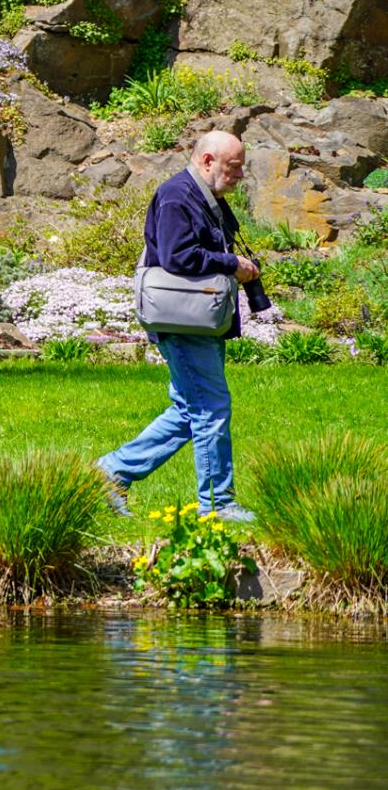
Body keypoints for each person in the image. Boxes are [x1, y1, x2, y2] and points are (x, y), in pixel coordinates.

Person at [95, 132, 259, 522]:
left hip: (198, 320)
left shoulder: (204, 196)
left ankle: (111, 472)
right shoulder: (177, 196)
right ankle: (218, 505)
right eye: (233, 167)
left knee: (190, 409)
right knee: (211, 408)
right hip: (183, 321)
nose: (239, 175)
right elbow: (176, 256)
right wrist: (230, 264)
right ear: (207, 160)